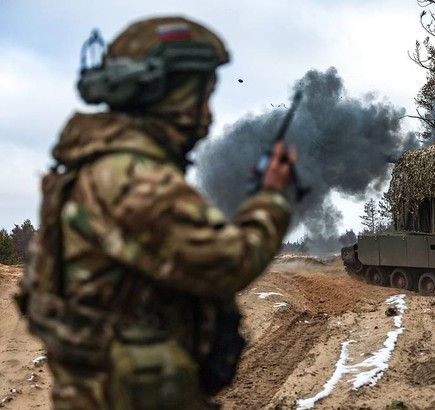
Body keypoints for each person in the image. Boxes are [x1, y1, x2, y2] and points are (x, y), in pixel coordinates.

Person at [16, 15, 296, 409]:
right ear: (169, 92)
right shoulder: (133, 178)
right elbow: (229, 262)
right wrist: (272, 198)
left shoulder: (93, 165)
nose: (208, 114)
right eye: (202, 95)